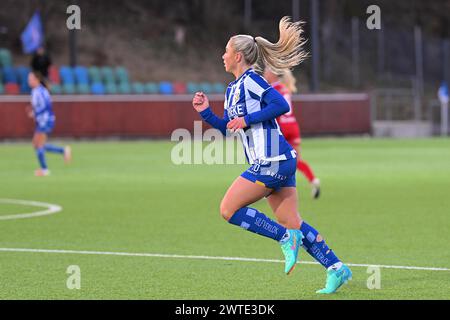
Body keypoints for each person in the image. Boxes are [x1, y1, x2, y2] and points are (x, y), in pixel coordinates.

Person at [192, 17, 351, 294]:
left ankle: (284, 238)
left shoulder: (252, 80)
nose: (222, 55)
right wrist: (205, 112)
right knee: (293, 221)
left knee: (228, 210)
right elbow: (230, 127)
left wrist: (248, 119)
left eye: (226, 51)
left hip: (272, 159)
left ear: (238, 56)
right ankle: (336, 268)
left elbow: (278, 104)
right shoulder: (232, 90)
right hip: (280, 160)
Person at [263, 68, 321, 199]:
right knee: (296, 160)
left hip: (281, 127)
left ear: (273, 74)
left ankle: (266, 188)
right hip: (293, 126)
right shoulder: (285, 88)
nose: (264, 73)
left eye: (266, 71)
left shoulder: (272, 89)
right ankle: (313, 180)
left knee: (271, 159)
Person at [27, 71, 71, 176]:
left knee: (39, 144)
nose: (29, 81)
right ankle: (63, 151)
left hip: (45, 120)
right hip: (42, 120)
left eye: (31, 79)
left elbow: (46, 106)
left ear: (37, 80)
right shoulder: (38, 91)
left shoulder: (39, 91)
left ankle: (44, 170)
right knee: (36, 144)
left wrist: (35, 113)